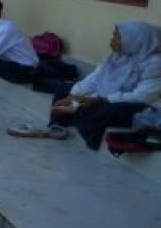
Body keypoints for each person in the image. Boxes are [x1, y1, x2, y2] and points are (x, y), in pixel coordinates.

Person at [10, 21, 161, 149]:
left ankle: (75, 114)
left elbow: (144, 95)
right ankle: (57, 126)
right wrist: (73, 95)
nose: (112, 39)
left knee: (107, 111)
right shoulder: (115, 56)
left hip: (132, 104)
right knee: (63, 89)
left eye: (117, 36)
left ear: (136, 39)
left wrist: (98, 100)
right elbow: (95, 78)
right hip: (104, 97)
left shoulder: (154, 62)